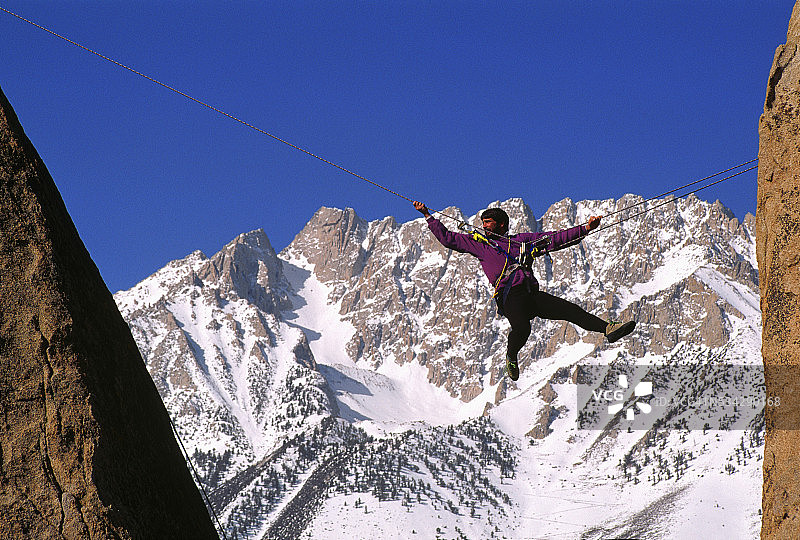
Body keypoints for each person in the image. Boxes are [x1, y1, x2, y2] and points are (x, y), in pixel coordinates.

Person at [413, 201, 635, 381]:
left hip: (530, 293)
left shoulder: (522, 242)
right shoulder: (479, 244)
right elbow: (448, 239)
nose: (484, 226)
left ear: (501, 225)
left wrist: (586, 228)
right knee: (522, 328)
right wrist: (428, 216)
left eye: (488, 222)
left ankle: (608, 329)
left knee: (571, 310)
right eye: (483, 222)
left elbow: (555, 239)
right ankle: (511, 355)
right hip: (510, 296)